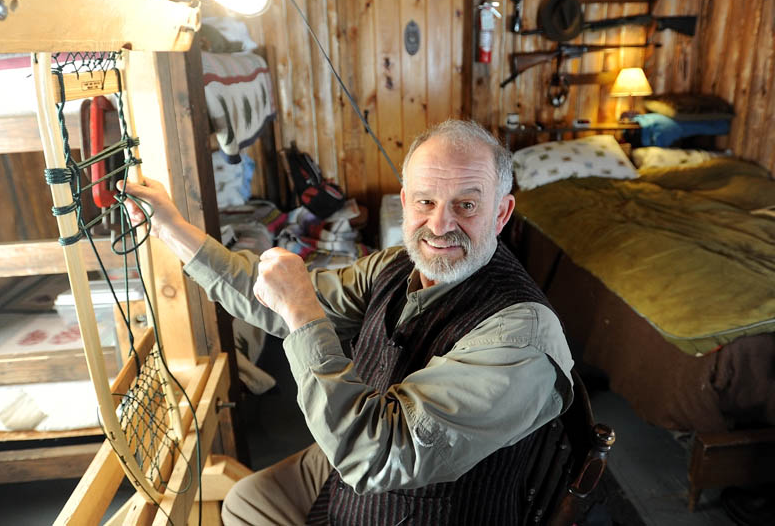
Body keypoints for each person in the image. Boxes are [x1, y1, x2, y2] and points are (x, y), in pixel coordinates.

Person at [120, 119, 573, 526]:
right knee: (246, 501)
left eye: (467, 206)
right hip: (370, 447)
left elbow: (377, 456)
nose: (439, 224)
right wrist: (171, 228)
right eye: (426, 201)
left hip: (436, 500)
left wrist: (303, 314)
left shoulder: (522, 337)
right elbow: (274, 299)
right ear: (404, 203)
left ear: (501, 213)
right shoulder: (396, 265)